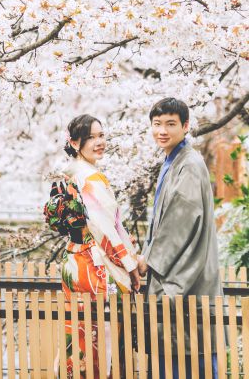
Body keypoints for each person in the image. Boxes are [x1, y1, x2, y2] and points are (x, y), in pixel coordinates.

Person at [44, 114, 140, 378]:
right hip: (94, 266)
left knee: (78, 332)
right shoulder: (90, 178)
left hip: (75, 260)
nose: (99, 142)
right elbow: (106, 230)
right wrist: (131, 265)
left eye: (101, 136)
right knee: (101, 340)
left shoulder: (72, 173)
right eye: (91, 138)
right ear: (75, 143)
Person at [138, 98, 222, 379]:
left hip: (185, 278)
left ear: (186, 126)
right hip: (177, 276)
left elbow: (180, 221)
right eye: (157, 124)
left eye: (171, 124)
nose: (162, 130)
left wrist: (148, 260)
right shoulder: (174, 160)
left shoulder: (189, 164)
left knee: (188, 359)